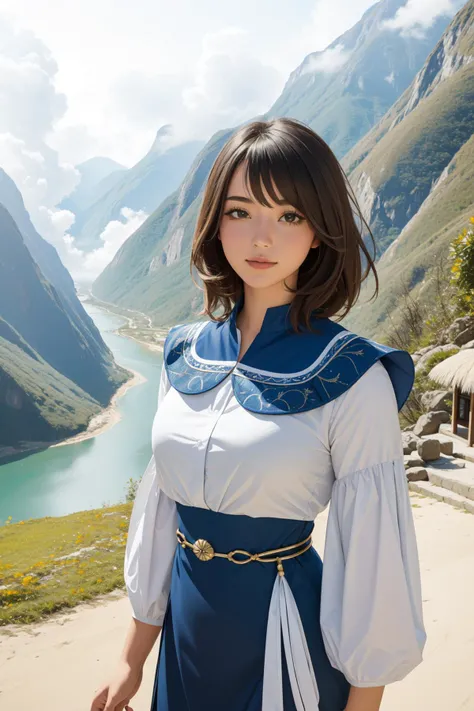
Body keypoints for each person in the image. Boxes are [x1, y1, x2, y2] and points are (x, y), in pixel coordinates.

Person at [90, 117, 427, 711]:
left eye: (290, 215)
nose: (261, 238)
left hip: (283, 635)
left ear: (321, 231)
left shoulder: (352, 374)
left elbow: (373, 553)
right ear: (216, 223)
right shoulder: (182, 352)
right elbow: (162, 504)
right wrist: (131, 659)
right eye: (241, 212)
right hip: (184, 637)